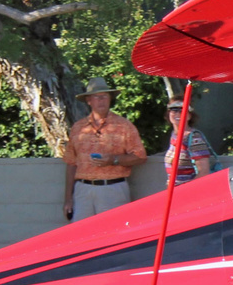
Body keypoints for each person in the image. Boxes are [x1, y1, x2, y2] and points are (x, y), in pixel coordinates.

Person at [62, 77, 146, 222]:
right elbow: (71, 163)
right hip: (83, 189)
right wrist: (68, 199)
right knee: (82, 236)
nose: (101, 100)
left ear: (110, 99)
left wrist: (114, 160)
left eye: (104, 96)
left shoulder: (124, 126)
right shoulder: (78, 128)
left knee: (114, 234)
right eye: (96, 97)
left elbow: (140, 156)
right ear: (89, 100)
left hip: (112, 188)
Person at [163, 98, 213, 186]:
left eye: (182, 110)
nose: (178, 113)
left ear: (189, 116)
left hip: (189, 193)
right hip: (174, 192)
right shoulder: (174, 136)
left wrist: (186, 191)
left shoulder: (194, 138)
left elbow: (204, 172)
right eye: (174, 110)